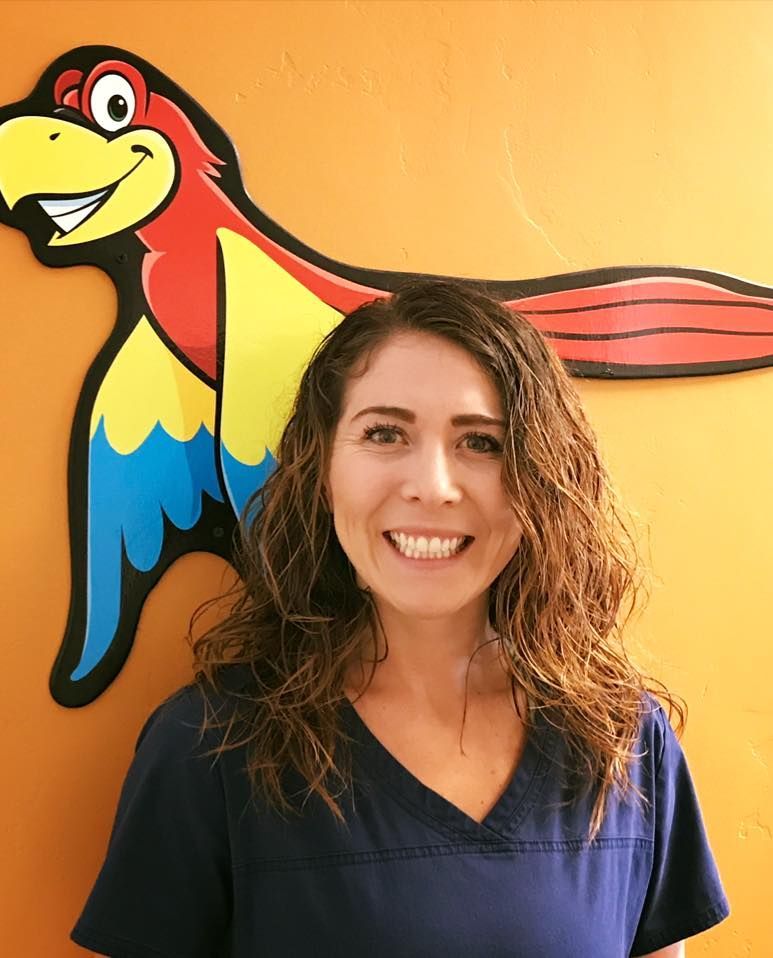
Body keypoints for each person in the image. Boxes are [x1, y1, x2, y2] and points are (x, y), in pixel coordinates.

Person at [71, 280, 729, 957]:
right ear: (322, 469)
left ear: (539, 478)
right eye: (384, 433)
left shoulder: (622, 743)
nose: (432, 485)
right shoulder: (210, 747)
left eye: (481, 442)